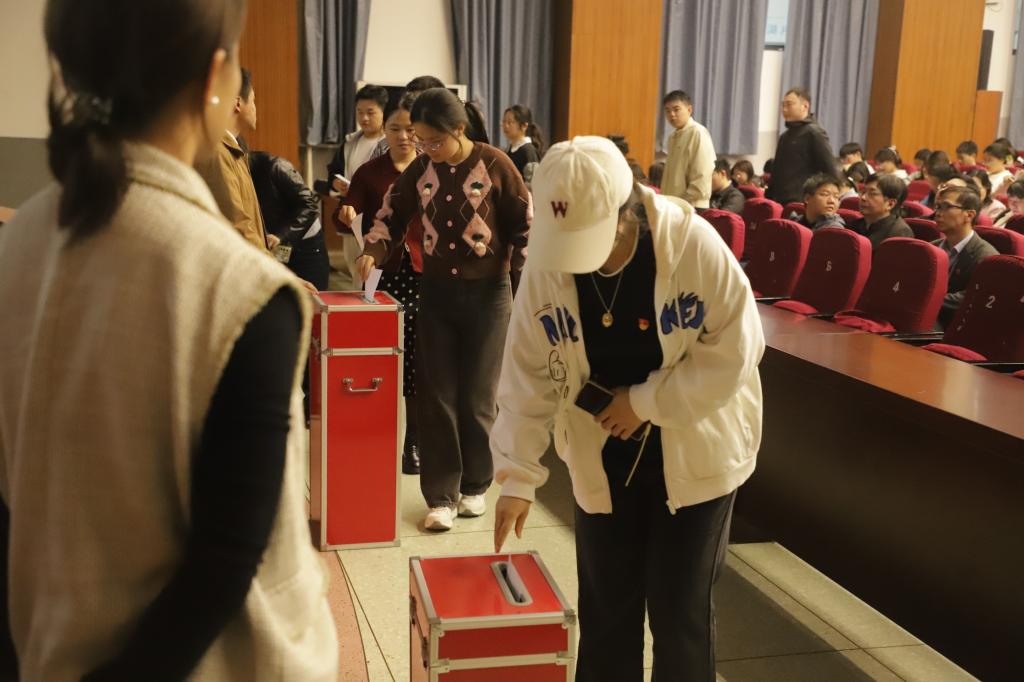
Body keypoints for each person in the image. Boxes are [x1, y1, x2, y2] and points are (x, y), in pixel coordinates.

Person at [0, 0, 338, 680]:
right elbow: (227, 562)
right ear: (214, 78)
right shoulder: (242, 289)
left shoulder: (20, 240)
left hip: (47, 642)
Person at [491, 136, 763, 682]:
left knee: (680, 614)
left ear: (626, 213)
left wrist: (643, 403)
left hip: (695, 449)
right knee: (607, 612)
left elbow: (738, 349)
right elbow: (528, 369)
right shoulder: (547, 260)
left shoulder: (692, 246)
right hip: (601, 449)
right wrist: (517, 474)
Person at [356, 87, 530, 531]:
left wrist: (526, 284)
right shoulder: (422, 169)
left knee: (478, 396)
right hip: (435, 294)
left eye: (434, 141)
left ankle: (476, 485)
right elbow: (391, 214)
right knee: (436, 396)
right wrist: (374, 250)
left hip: (489, 295)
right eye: (421, 140)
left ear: (459, 129)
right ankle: (440, 497)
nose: (426, 149)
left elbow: (524, 228)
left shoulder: (496, 164)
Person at [338, 92, 425, 475]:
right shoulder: (370, 172)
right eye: (395, 129)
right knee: (382, 355)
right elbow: (347, 215)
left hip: (424, 274)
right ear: (384, 132)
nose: (403, 136)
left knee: (418, 362)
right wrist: (346, 212)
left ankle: (413, 443)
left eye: (410, 129)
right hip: (381, 273)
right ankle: (376, 434)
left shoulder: (430, 169)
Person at [195, 67, 273, 252]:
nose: (255, 109)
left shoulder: (232, 149)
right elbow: (238, 226)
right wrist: (271, 266)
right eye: (253, 101)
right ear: (238, 103)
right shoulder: (218, 153)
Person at [326, 84, 389, 288]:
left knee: (373, 275)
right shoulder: (351, 141)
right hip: (351, 217)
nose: (364, 118)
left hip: (376, 219)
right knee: (355, 272)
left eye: (370, 112)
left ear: (384, 112)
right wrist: (336, 183)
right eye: (359, 112)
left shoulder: (389, 144)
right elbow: (333, 171)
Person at [249, 151, 329, 289]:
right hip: (278, 247)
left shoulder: (277, 166)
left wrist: (282, 235)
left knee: (313, 295)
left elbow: (309, 206)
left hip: (306, 245)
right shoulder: (239, 177)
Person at [930, 185, 998, 328]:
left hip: (953, 325)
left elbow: (973, 297)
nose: (938, 213)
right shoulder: (931, 248)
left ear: (969, 215)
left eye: (946, 207)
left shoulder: (986, 257)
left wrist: (924, 298)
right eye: (938, 207)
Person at [767, 87, 840, 205]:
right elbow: (776, 172)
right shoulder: (784, 136)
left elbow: (830, 169)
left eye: (789, 104)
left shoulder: (814, 133)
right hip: (779, 199)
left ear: (805, 106)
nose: (784, 109)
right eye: (783, 105)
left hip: (801, 201)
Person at [661, 90, 717, 208]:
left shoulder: (698, 132)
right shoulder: (672, 137)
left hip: (692, 205)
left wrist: (683, 200)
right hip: (673, 204)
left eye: (676, 109)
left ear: (689, 110)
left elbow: (702, 174)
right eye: (667, 111)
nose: (672, 114)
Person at [851, 174, 913, 250]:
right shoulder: (854, 225)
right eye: (863, 192)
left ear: (890, 204)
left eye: (872, 194)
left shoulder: (899, 233)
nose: (863, 198)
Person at [502, 104, 545, 179]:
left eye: (509, 122)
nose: (505, 126)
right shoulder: (509, 149)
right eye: (504, 121)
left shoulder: (528, 151)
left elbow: (532, 181)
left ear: (524, 126)